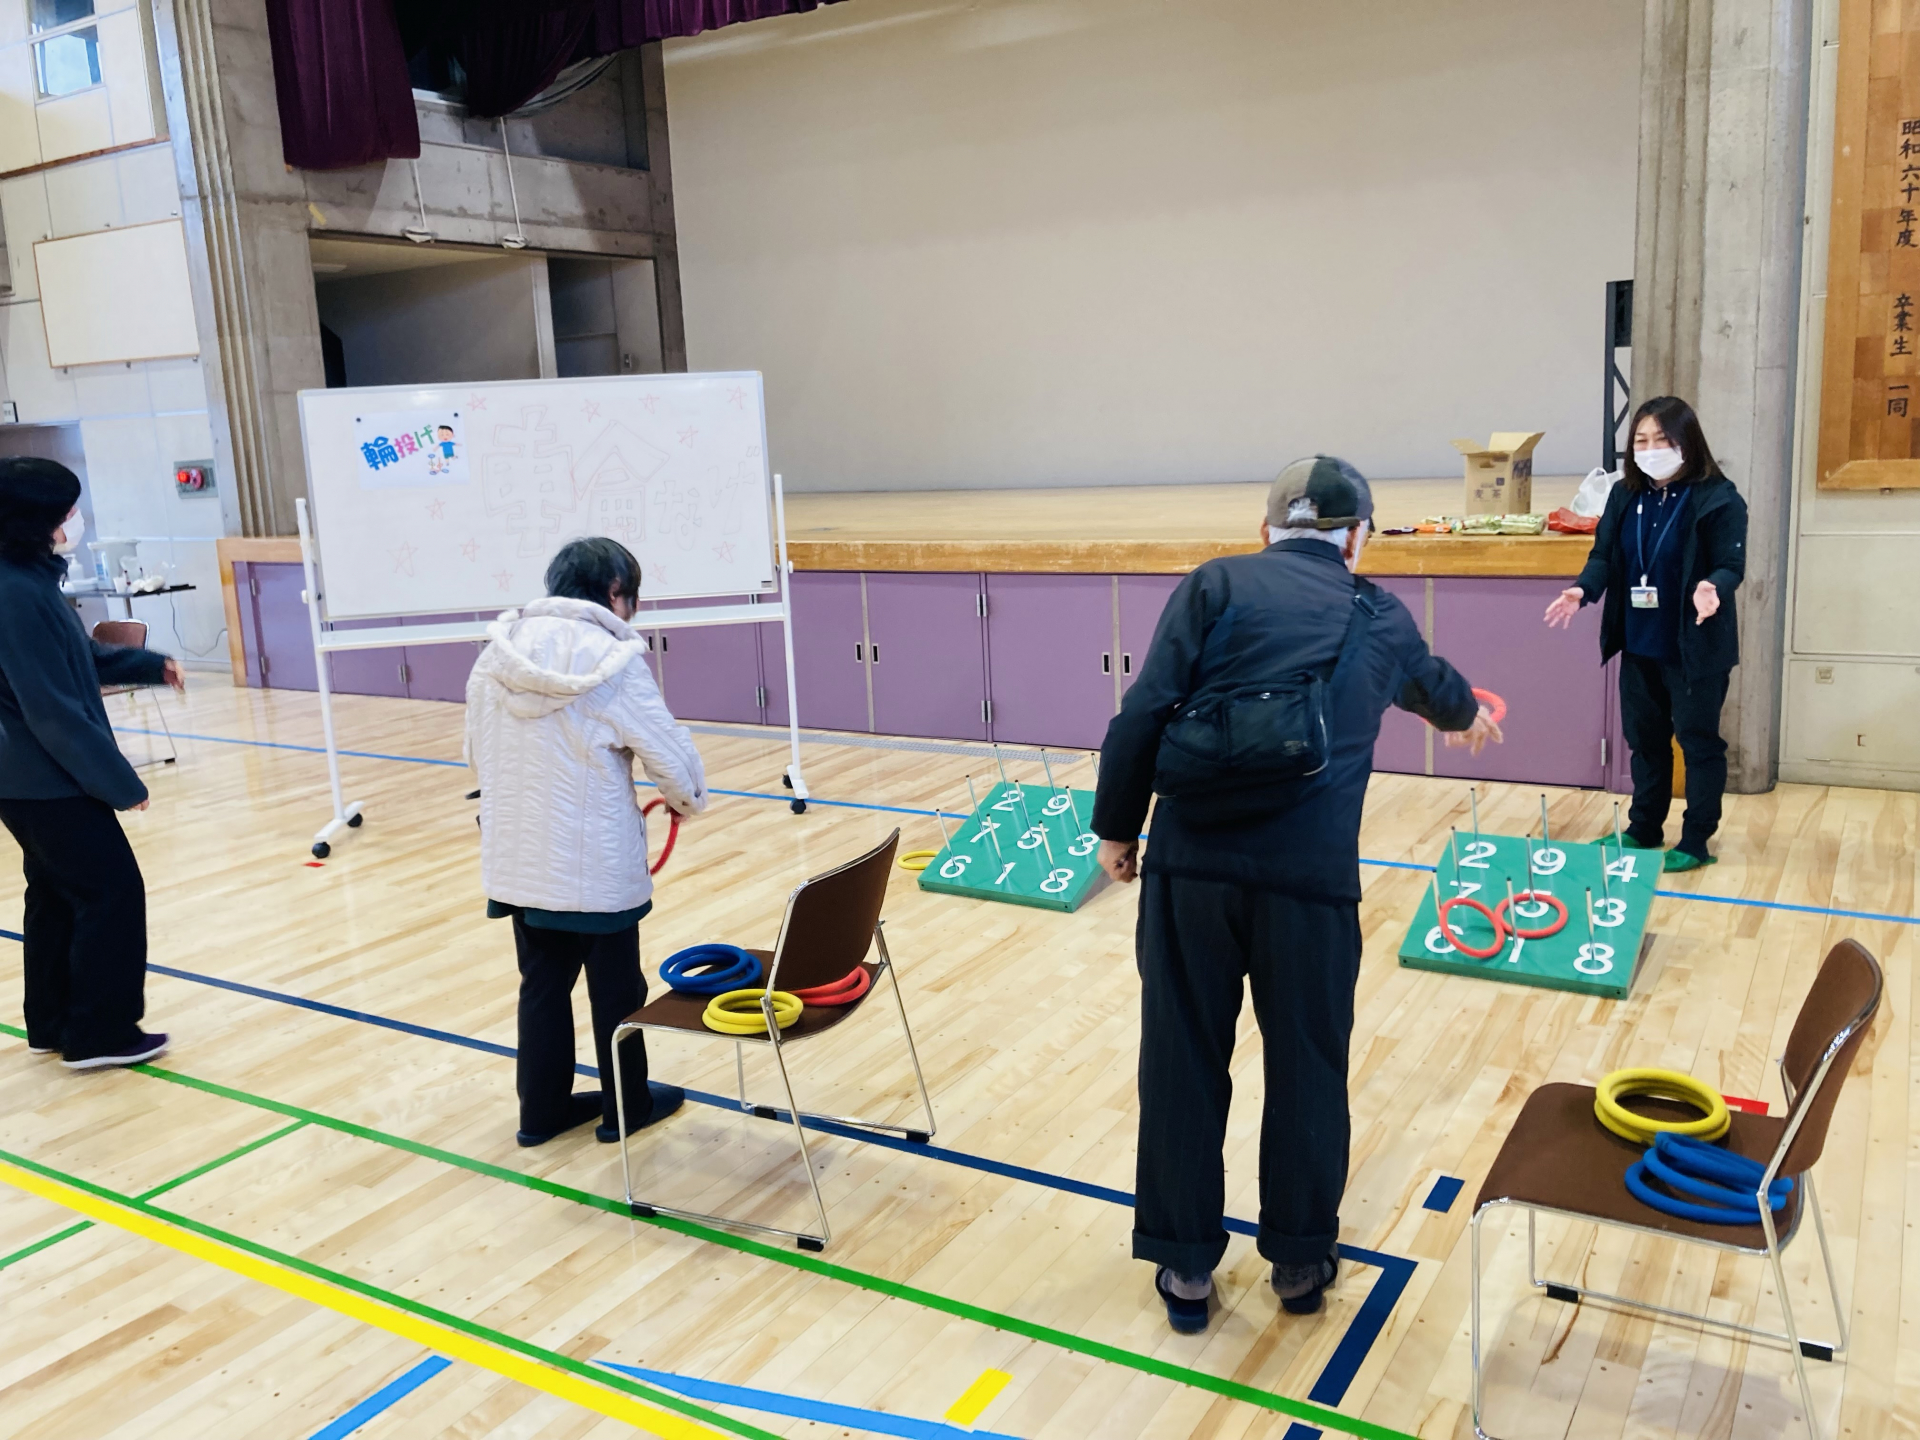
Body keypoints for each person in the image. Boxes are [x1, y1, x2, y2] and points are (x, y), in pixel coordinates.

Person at [1092, 456, 1501, 1334]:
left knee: (1181, 1059)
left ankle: (1185, 1266)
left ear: (1266, 529)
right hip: (1309, 883)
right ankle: (1300, 1262)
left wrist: (1118, 830)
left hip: (1193, 870)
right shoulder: (1379, 613)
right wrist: (1468, 717)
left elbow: (1143, 711)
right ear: (1358, 538)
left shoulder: (1215, 585)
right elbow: (1433, 685)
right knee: (1309, 1066)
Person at [465, 536, 707, 1147]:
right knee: (618, 992)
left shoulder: (494, 657)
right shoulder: (613, 660)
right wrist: (687, 801)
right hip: (596, 865)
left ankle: (540, 1113)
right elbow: (668, 755)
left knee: (542, 986)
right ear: (615, 593)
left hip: (518, 859)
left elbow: (476, 754)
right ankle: (626, 1108)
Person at [0, 457, 184, 1069]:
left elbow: (77, 657)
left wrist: (150, 665)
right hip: (41, 779)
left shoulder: (27, 580)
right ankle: (100, 1034)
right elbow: (51, 709)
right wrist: (119, 783)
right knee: (111, 893)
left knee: (56, 893)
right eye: (67, 511)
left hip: (30, 777)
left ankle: (54, 1021)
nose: (75, 520)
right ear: (36, 520)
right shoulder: (14, 592)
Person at [1543, 397, 1746, 872]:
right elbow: (1603, 557)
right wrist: (1581, 590)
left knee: (1697, 742)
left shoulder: (1718, 497)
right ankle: (1644, 827)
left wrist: (1712, 587)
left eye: (1662, 440)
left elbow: (1730, 564)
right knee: (1645, 740)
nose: (1651, 449)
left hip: (1693, 646)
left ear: (1687, 443)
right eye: (1641, 440)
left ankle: (1696, 839)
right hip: (1639, 642)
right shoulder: (1625, 495)